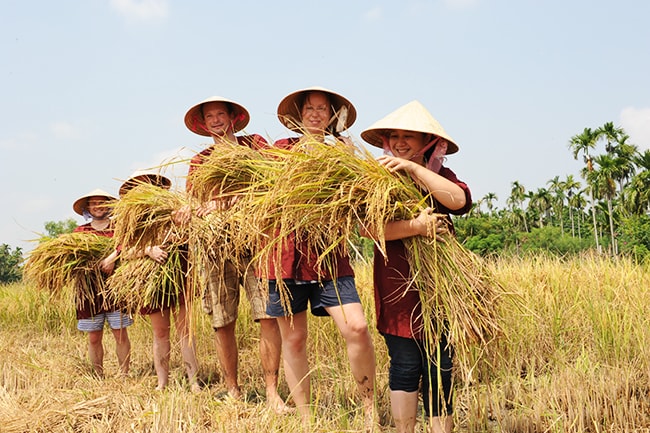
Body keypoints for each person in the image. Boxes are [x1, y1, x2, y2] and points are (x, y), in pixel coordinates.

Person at [360, 100, 473, 433]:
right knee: (405, 364)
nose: (399, 142)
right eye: (394, 136)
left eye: (409, 136)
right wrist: (416, 227)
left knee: (440, 365)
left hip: (439, 288)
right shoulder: (378, 181)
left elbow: (459, 200)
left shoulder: (439, 178)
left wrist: (412, 169)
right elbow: (369, 229)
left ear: (428, 143)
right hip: (397, 286)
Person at [266, 86, 376, 427]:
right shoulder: (279, 152)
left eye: (323, 109)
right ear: (298, 116)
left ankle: (370, 408)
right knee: (294, 338)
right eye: (309, 109)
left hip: (329, 258)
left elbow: (362, 194)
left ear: (332, 118)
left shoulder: (341, 153)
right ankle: (306, 417)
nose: (316, 114)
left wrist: (350, 156)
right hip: (285, 256)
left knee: (357, 328)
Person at [176, 96, 287, 412]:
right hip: (216, 249)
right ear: (203, 124)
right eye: (209, 116)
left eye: (220, 114)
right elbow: (193, 205)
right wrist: (190, 211)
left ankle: (271, 392)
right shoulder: (200, 161)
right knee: (222, 321)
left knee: (268, 315)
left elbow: (273, 184)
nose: (215, 120)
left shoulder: (255, 146)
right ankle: (233, 390)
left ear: (233, 118)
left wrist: (235, 200)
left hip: (256, 241)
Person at [119, 170, 200, 392]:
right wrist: (148, 250)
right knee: (161, 332)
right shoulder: (131, 218)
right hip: (152, 278)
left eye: (151, 184)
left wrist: (179, 237)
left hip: (180, 272)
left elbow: (194, 233)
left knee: (186, 331)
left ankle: (194, 381)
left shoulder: (174, 207)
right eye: (140, 185)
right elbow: (124, 251)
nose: (147, 188)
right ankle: (162, 382)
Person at [72, 189, 133, 377]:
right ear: (88, 207)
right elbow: (73, 257)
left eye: (102, 203)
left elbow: (129, 244)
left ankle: (124, 375)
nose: (98, 206)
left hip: (116, 289)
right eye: (94, 203)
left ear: (109, 206)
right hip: (89, 292)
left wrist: (113, 257)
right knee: (93, 336)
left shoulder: (119, 228)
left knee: (120, 333)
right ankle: (98, 375)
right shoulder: (80, 232)